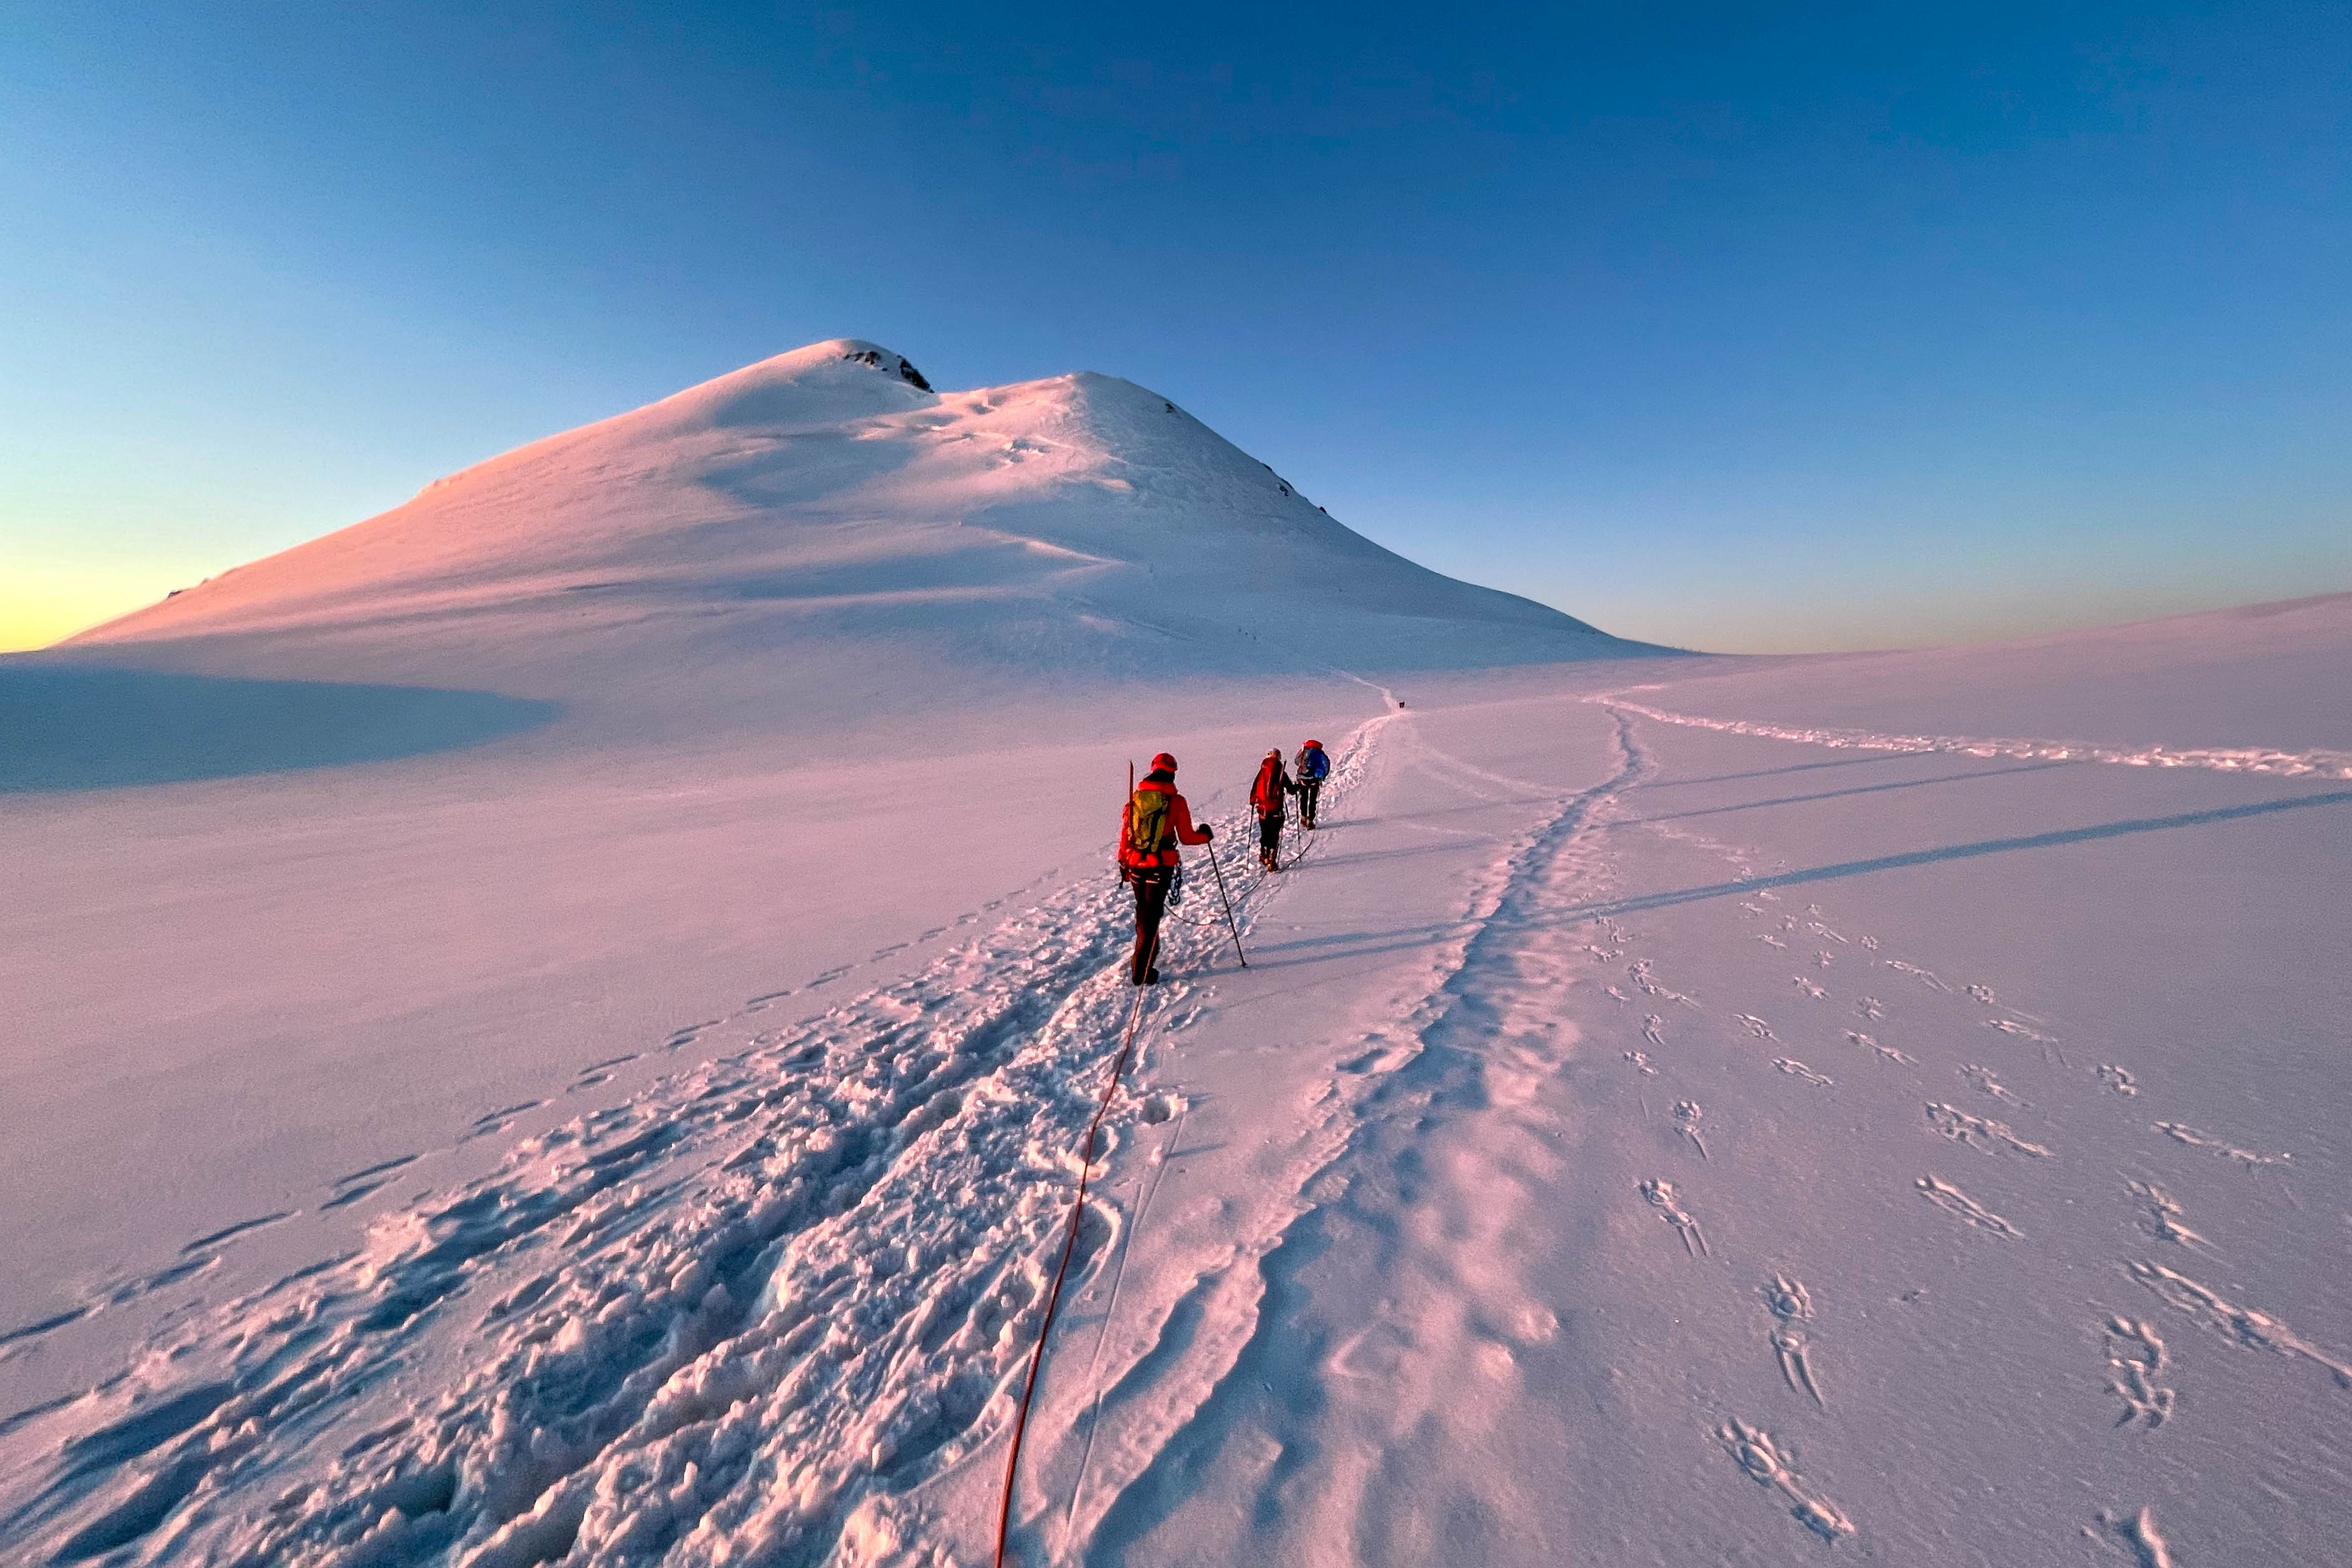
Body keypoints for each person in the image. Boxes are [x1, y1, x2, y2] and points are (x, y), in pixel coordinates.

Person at [1118, 752, 1214, 985]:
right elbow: (1188, 837)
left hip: (1136, 864)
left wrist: (1124, 862)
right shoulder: (1176, 802)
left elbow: (1126, 836)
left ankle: (1147, 949)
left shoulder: (1136, 800)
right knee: (1152, 913)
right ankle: (1142, 968)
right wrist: (1206, 836)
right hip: (1161, 865)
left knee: (1144, 909)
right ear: (1172, 773)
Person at [1249, 747, 1298, 872]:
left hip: (1263, 810)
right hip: (1276, 810)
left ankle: (1263, 856)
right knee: (1274, 836)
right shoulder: (1281, 772)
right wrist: (1298, 787)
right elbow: (1291, 790)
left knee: (1265, 834)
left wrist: (1253, 802)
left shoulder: (1262, 772)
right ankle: (1271, 860)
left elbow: (1254, 789)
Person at [1293, 739, 1330, 828]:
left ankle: (1304, 817)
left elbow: (1297, 761)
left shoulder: (1304, 752)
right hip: (1315, 780)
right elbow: (1326, 765)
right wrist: (1322, 776)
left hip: (1303, 779)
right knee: (1313, 800)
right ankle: (1310, 819)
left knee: (1304, 798)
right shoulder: (1320, 754)